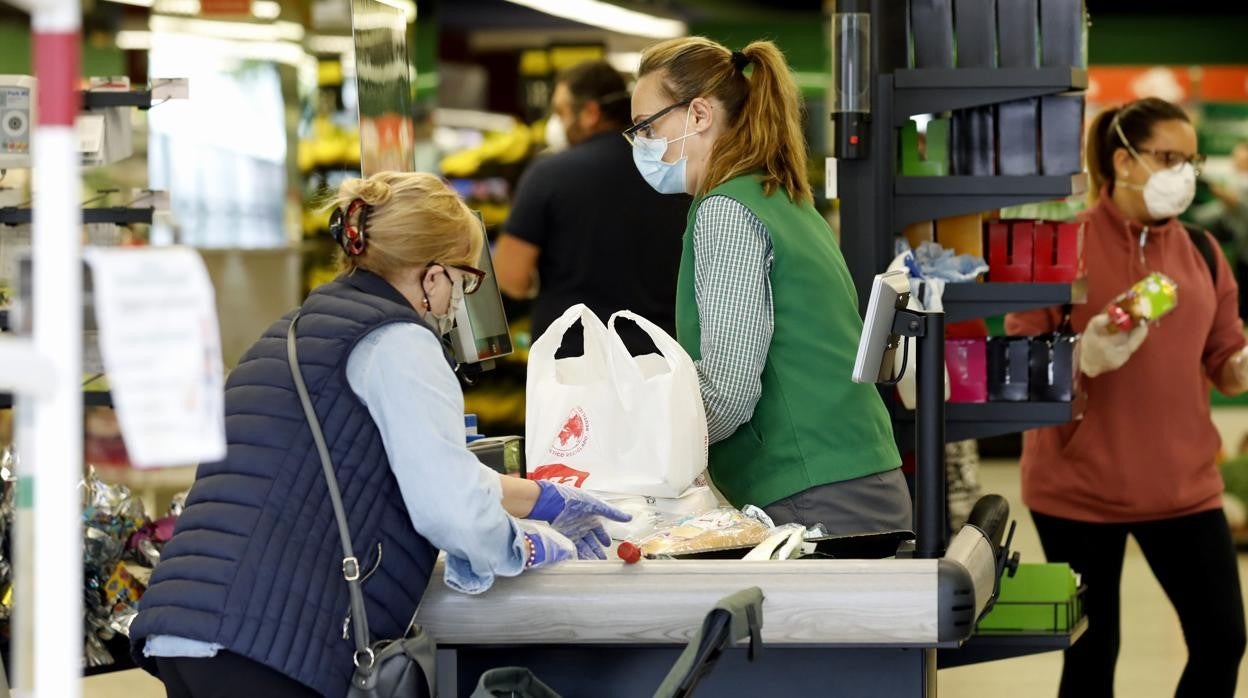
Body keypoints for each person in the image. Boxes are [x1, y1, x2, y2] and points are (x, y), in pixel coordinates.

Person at [129, 172, 628, 698]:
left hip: (188, 625)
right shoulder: (400, 341)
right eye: (464, 281)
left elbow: (415, 467)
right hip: (266, 643)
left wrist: (541, 499)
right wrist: (522, 546)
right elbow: (450, 510)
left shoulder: (296, 329)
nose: (459, 300)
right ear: (432, 276)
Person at [1006, 97, 1248, 698]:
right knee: (1092, 655)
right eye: (1169, 158)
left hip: (1184, 488)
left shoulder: (1203, 250)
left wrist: (1243, 363)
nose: (1184, 174)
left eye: (1192, 161)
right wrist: (1079, 357)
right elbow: (1017, 364)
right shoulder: (1060, 244)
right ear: (1124, 160)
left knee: (1222, 639)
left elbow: (1225, 362)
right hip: (1077, 489)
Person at [627, 37, 910, 534]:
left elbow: (729, 390)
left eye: (647, 127)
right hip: (857, 476)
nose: (640, 144)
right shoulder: (785, 199)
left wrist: (643, 451)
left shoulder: (725, 212)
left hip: (811, 495)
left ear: (699, 114)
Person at [493, 59, 689, 355]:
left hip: (572, 359)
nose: (556, 123)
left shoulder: (548, 174)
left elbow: (510, 276)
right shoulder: (670, 174)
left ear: (590, 114)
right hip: (658, 357)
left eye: (561, 112)